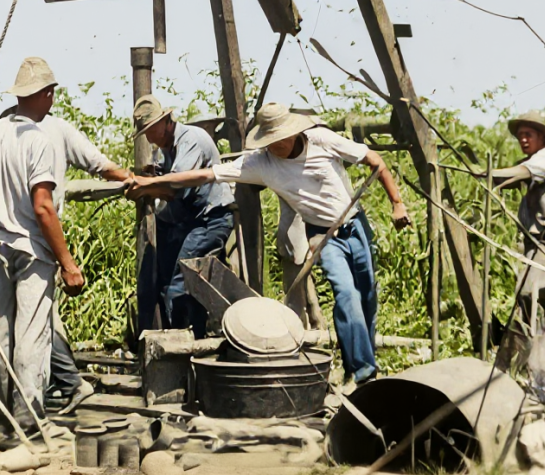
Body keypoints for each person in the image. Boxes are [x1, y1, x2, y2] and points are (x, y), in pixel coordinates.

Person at [127, 102, 411, 386]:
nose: (277, 146)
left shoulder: (322, 140)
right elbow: (206, 174)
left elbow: (376, 161)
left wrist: (397, 204)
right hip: (323, 235)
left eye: (281, 140)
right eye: (271, 141)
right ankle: (361, 372)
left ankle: (363, 364)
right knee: (346, 294)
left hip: (354, 223)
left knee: (366, 298)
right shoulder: (261, 163)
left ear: (294, 132)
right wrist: (152, 182)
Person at [1, 64, 133, 414]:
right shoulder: (15, 134)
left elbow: (95, 164)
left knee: (32, 324)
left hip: (29, 238)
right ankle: (56, 389)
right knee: (35, 323)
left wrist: (129, 178)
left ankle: (52, 393)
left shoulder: (50, 131)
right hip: (25, 238)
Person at [0, 57, 85, 432]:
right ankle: (31, 419)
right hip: (32, 250)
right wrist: (67, 263)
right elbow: (44, 207)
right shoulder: (38, 139)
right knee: (32, 336)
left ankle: (3, 416)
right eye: (51, 94)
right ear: (45, 95)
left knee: (2, 334)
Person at [130, 94, 236, 338]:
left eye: (151, 129)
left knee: (182, 280)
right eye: (145, 131)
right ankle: (195, 337)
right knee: (177, 282)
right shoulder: (164, 150)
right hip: (188, 222)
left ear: (167, 121)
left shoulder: (191, 140)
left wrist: (145, 185)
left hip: (210, 219)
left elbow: (173, 188)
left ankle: (179, 343)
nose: (149, 136)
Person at [492, 110, 545, 394]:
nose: (523, 139)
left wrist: (491, 173)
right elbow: (510, 178)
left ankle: (539, 380)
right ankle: (506, 368)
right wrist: (488, 175)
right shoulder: (531, 162)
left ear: (542, 137)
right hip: (533, 247)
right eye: (521, 135)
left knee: (529, 298)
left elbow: (519, 173)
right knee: (532, 310)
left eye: (529, 134)